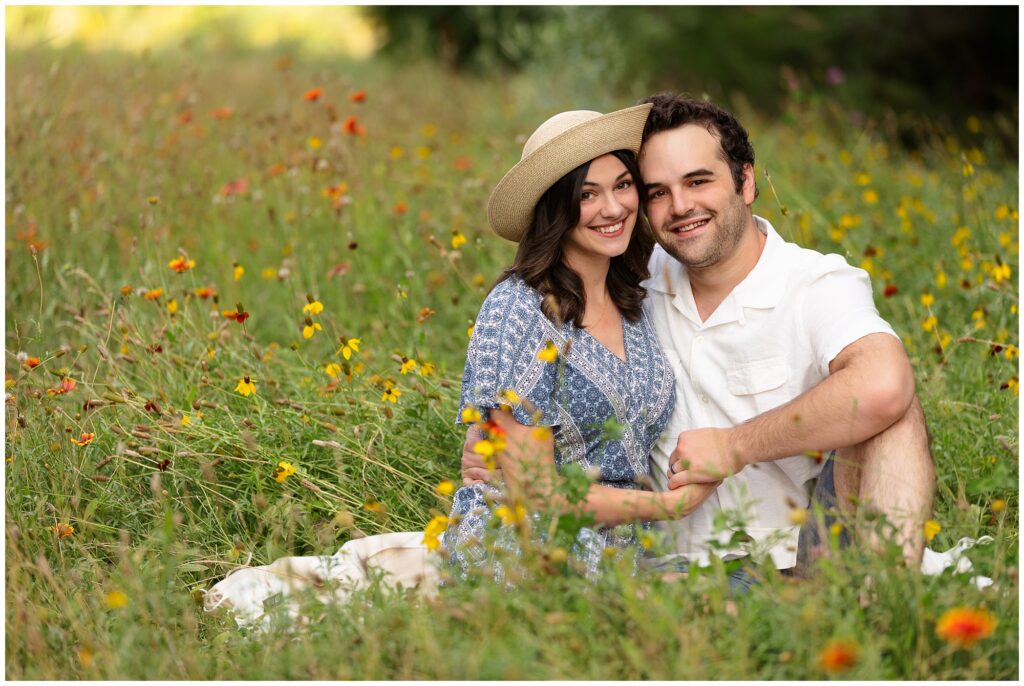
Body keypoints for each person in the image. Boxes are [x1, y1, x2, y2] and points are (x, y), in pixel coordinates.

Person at [204, 105, 718, 626]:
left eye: (624, 185)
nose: (612, 207)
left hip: (619, 546)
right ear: (555, 208)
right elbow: (539, 494)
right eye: (587, 194)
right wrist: (668, 506)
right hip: (530, 546)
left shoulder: (636, 298)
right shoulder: (520, 309)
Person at [465, 94, 936, 577]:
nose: (680, 206)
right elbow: (536, 395)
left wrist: (735, 446)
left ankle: (885, 605)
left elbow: (883, 385)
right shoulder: (634, 280)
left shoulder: (813, 285)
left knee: (895, 409)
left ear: (746, 181)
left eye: (697, 181)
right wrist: (497, 437)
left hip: (796, 557)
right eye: (658, 191)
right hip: (657, 563)